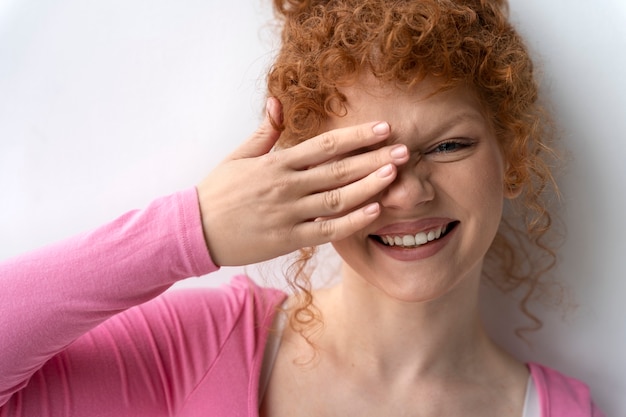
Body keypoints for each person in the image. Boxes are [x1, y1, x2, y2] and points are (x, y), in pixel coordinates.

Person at [0, 0, 605, 416]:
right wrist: (192, 230)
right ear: (304, 171)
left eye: (449, 146)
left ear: (515, 158)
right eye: (362, 157)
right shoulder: (202, 347)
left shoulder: (563, 411)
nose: (408, 193)